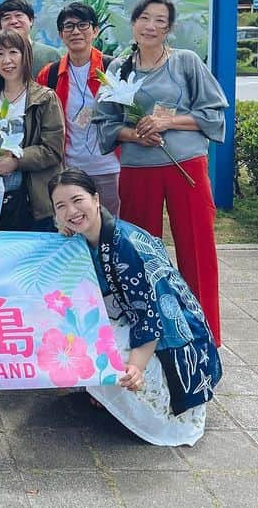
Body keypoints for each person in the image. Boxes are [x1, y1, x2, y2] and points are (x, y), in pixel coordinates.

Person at [48, 169, 221, 446]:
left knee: (89, 344)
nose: (71, 211)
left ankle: (150, 400)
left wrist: (137, 367)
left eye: (77, 200)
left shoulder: (123, 244)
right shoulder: (87, 236)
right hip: (135, 319)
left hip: (169, 338)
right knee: (71, 329)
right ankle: (110, 393)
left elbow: (151, 316)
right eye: (61, 206)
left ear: (96, 198)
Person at [93, 0, 228, 345]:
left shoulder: (186, 62)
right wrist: (135, 132)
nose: (151, 27)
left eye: (160, 21)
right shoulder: (118, 68)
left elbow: (212, 114)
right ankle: (150, 333)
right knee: (139, 253)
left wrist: (167, 123)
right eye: (144, 19)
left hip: (185, 168)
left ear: (169, 28)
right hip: (138, 169)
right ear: (133, 22)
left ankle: (206, 335)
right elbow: (106, 124)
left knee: (196, 248)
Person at [0, 30, 64, 231]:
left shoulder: (44, 98)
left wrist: (16, 161)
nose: (6, 60)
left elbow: (53, 149)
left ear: (25, 55)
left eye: (13, 52)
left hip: (33, 200)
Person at [38, 2, 121, 215]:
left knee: (112, 228)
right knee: (75, 226)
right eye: (68, 26)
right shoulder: (50, 74)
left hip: (110, 167)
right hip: (71, 170)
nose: (75, 31)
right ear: (60, 34)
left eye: (83, 25)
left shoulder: (113, 68)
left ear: (95, 31)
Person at [0, 0, 61, 95]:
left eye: (19, 15)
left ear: (31, 20)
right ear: (0, 26)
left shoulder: (50, 55)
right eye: (7, 18)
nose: (13, 21)